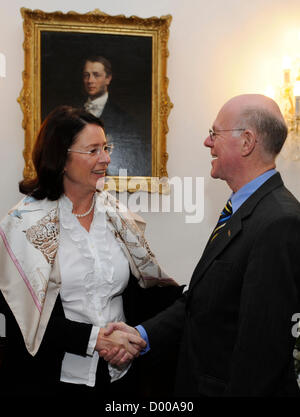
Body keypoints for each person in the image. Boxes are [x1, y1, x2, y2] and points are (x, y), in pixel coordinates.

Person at [102, 94, 300, 397]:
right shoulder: (244, 209)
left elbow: (262, 350)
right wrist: (142, 334)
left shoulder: (279, 222)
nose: (208, 143)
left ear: (247, 142)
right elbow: (201, 302)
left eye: (214, 133)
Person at [0, 105, 182, 398]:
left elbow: (142, 291)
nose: (106, 159)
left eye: (106, 148)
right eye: (94, 150)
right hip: (51, 381)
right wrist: (95, 340)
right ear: (61, 157)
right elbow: (23, 318)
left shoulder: (118, 216)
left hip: (119, 374)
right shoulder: (23, 225)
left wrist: (133, 337)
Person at [82, 56, 150, 177]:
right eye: (86, 75)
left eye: (96, 75)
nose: (90, 80)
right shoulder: (75, 114)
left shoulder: (125, 120)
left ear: (108, 79)